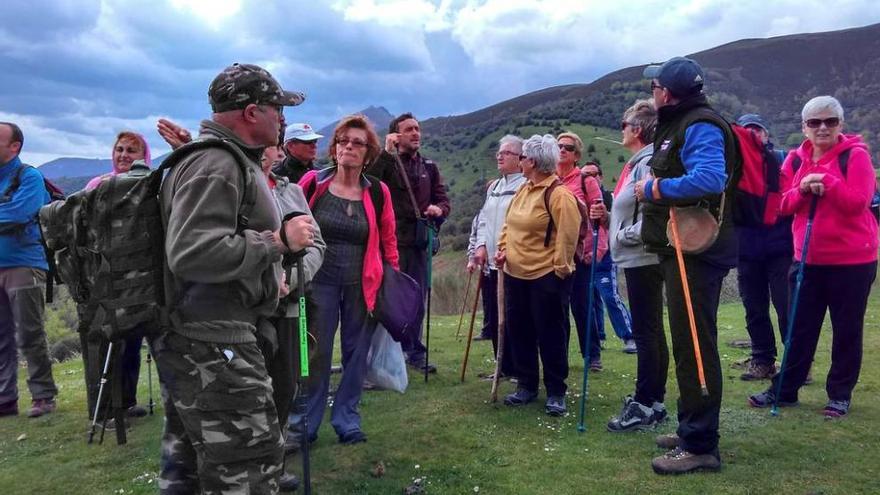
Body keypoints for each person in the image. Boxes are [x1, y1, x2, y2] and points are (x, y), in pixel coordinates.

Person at [155, 63, 315, 494]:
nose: (282, 118)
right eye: (276, 107)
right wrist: (276, 242)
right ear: (250, 112)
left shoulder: (221, 160)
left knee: (187, 468)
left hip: (206, 335)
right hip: (215, 342)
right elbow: (191, 252)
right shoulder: (216, 163)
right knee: (250, 468)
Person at [635, 57, 739, 474]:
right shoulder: (680, 122)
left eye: (655, 86)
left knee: (695, 345)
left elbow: (710, 178)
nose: (652, 92)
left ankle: (700, 446)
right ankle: (690, 425)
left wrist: (653, 188)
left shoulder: (700, 124)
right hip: (678, 247)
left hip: (695, 253)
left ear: (667, 93)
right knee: (684, 341)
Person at [748, 96, 877, 419]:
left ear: (840, 125)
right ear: (804, 127)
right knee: (799, 328)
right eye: (815, 122)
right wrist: (803, 188)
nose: (823, 128)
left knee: (846, 328)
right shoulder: (793, 161)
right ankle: (785, 390)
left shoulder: (856, 157)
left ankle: (839, 394)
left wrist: (829, 182)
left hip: (852, 261)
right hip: (806, 258)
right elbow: (782, 206)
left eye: (830, 122)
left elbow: (858, 203)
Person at [297, 114, 399, 444]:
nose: (349, 148)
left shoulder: (378, 192)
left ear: (368, 153)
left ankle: (347, 420)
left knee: (357, 354)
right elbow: (292, 222)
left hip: (362, 284)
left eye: (357, 143)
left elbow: (388, 240)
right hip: (318, 282)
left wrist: (390, 280)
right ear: (334, 147)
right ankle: (305, 424)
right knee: (315, 353)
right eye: (343, 141)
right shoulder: (313, 184)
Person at [495, 134, 580, 417]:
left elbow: (568, 236)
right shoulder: (524, 189)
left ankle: (556, 391)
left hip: (547, 277)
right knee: (520, 331)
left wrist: (560, 270)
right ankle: (527, 385)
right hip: (515, 274)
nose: (519, 161)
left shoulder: (559, 194)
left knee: (551, 334)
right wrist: (503, 249)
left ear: (531, 161)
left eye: (522, 157)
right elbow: (510, 224)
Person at [603, 99, 669, 432]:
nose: (622, 130)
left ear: (638, 130)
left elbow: (655, 215)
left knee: (646, 331)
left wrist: (623, 237)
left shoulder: (647, 163)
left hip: (643, 255)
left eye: (624, 125)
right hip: (641, 255)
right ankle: (654, 402)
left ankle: (644, 404)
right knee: (651, 329)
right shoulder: (640, 161)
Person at [368, 113, 450, 373]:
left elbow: (443, 199)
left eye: (417, 129)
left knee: (416, 297)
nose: (416, 133)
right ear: (396, 135)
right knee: (386, 299)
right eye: (409, 129)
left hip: (418, 243)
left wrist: (439, 209)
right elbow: (368, 186)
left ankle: (414, 351)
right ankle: (382, 354)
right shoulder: (386, 163)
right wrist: (385, 153)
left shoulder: (429, 166)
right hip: (388, 242)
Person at [83, 131, 153, 419]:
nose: (123, 155)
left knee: (133, 341)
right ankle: (105, 407)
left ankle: (126, 400)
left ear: (142, 157)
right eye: (120, 149)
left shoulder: (148, 185)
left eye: (131, 151)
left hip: (139, 278)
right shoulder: (96, 185)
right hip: (103, 276)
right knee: (108, 342)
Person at [0, 122, 58, 419]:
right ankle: (5, 399)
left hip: (25, 264)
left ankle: (43, 395)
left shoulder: (30, 177)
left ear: (15, 146)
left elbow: (21, 212)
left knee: (29, 333)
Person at [732, 114, 793, 381]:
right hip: (746, 251)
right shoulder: (732, 169)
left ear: (767, 135)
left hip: (781, 248)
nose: (753, 134)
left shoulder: (782, 161)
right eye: (747, 131)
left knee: (786, 306)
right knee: (754, 308)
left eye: (758, 129)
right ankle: (762, 360)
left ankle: (796, 362)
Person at [469, 135, 526, 376]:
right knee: (494, 316)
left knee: (515, 318)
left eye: (507, 153)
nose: (499, 156)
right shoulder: (495, 187)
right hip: (491, 263)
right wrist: (480, 246)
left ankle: (520, 369)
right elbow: (483, 219)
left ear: (521, 159)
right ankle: (501, 365)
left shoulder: (524, 185)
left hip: (513, 263)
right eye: (499, 152)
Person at [555, 132, 607, 371]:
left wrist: (597, 251)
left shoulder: (586, 181)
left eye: (567, 147)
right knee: (558, 310)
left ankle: (592, 355)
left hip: (582, 256)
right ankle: (559, 356)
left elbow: (600, 218)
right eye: (558, 146)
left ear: (576, 155)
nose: (562, 150)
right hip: (556, 256)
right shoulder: (552, 181)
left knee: (582, 308)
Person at [582, 161, 637, 354]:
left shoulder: (612, 197)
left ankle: (629, 336)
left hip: (606, 256)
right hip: (586, 254)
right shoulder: (581, 197)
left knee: (609, 296)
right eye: (585, 175)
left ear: (601, 176)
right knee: (591, 298)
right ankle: (599, 336)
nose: (589, 178)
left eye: (593, 174)